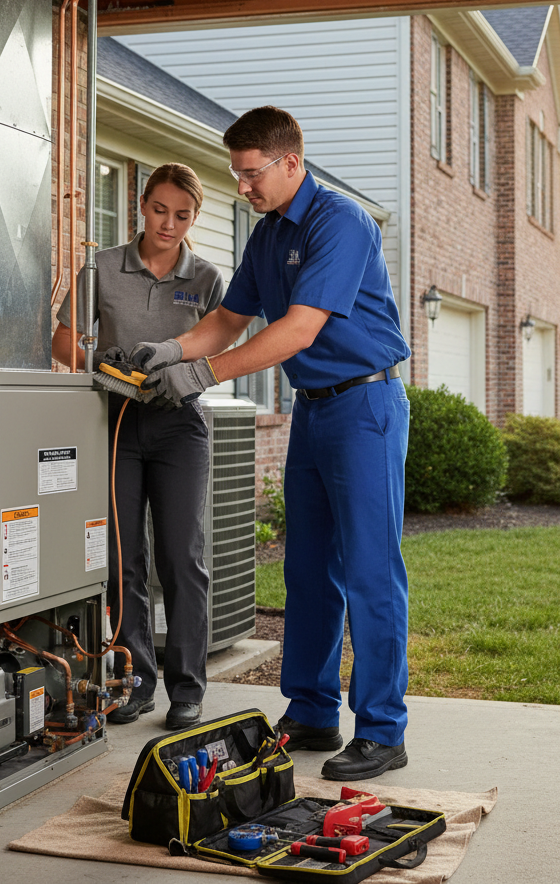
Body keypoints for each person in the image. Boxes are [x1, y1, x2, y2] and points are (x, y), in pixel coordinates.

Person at [129, 107, 411, 781]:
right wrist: (169, 350)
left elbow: (297, 330)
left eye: (252, 174)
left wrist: (201, 375)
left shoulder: (340, 223)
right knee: (308, 570)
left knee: (370, 572)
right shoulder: (268, 233)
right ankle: (312, 711)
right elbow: (228, 319)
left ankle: (382, 730)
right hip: (313, 411)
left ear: (290, 163)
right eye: (238, 174)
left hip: (365, 407)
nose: (243, 187)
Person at [52, 163, 224, 731]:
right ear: (142, 204)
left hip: (180, 425)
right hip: (116, 422)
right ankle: (135, 681)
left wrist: (180, 371)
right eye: (160, 210)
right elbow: (62, 339)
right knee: (120, 558)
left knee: (182, 558)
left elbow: (216, 348)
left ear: (194, 218)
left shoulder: (206, 279)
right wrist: (101, 364)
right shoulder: (102, 267)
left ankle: (187, 689)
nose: (168, 224)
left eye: (182, 215)